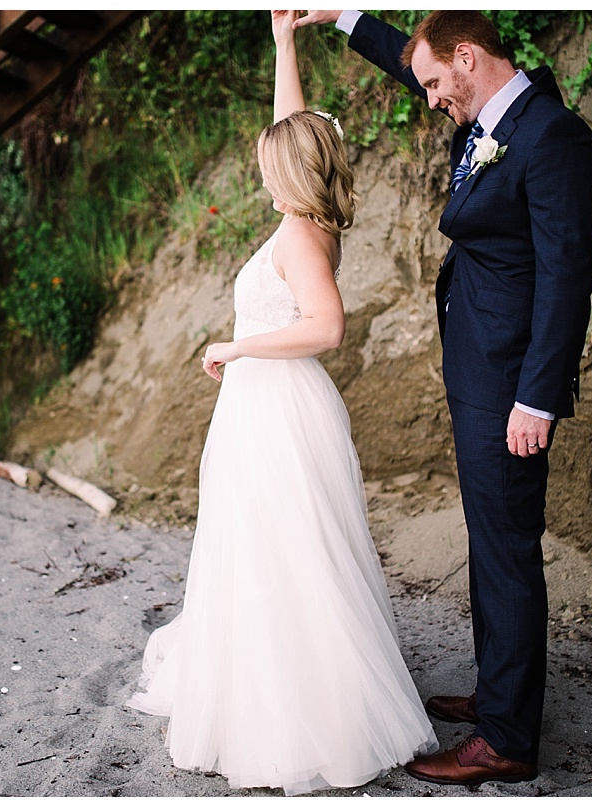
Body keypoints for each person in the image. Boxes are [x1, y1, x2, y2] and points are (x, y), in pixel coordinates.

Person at [125, 10, 437, 796]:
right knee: (272, 550)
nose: (263, 171)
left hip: (277, 409)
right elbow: (291, 131)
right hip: (271, 408)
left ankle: (297, 710)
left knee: (281, 551)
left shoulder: (299, 236)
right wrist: (285, 44)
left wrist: (235, 346)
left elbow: (326, 327)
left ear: (290, 175)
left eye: (272, 164)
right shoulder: (309, 215)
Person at [294, 9, 592, 789]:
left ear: (469, 59)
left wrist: (537, 398)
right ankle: (500, 697)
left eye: (437, 83)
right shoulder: (485, 110)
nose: (429, 98)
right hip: (477, 372)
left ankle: (507, 739)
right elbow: (412, 63)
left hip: (511, 387)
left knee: (506, 549)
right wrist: (343, 17)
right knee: (489, 540)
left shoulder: (550, 136)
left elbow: (568, 278)